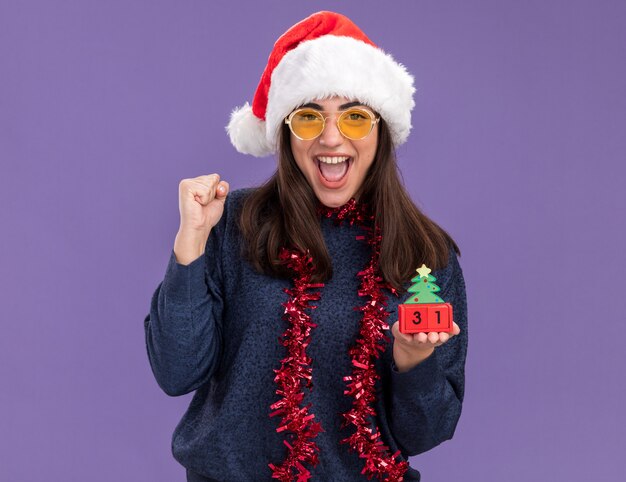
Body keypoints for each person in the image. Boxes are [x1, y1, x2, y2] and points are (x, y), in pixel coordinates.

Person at [144, 11, 468, 482]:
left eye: (355, 118)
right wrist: (190, 242)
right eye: (309, 117)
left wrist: (413, 362)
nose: (331, 137)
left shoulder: (426, 254)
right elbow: (175, 372)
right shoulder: (231, 222)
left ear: (381, 132)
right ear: (284, 131)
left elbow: (427, 433)